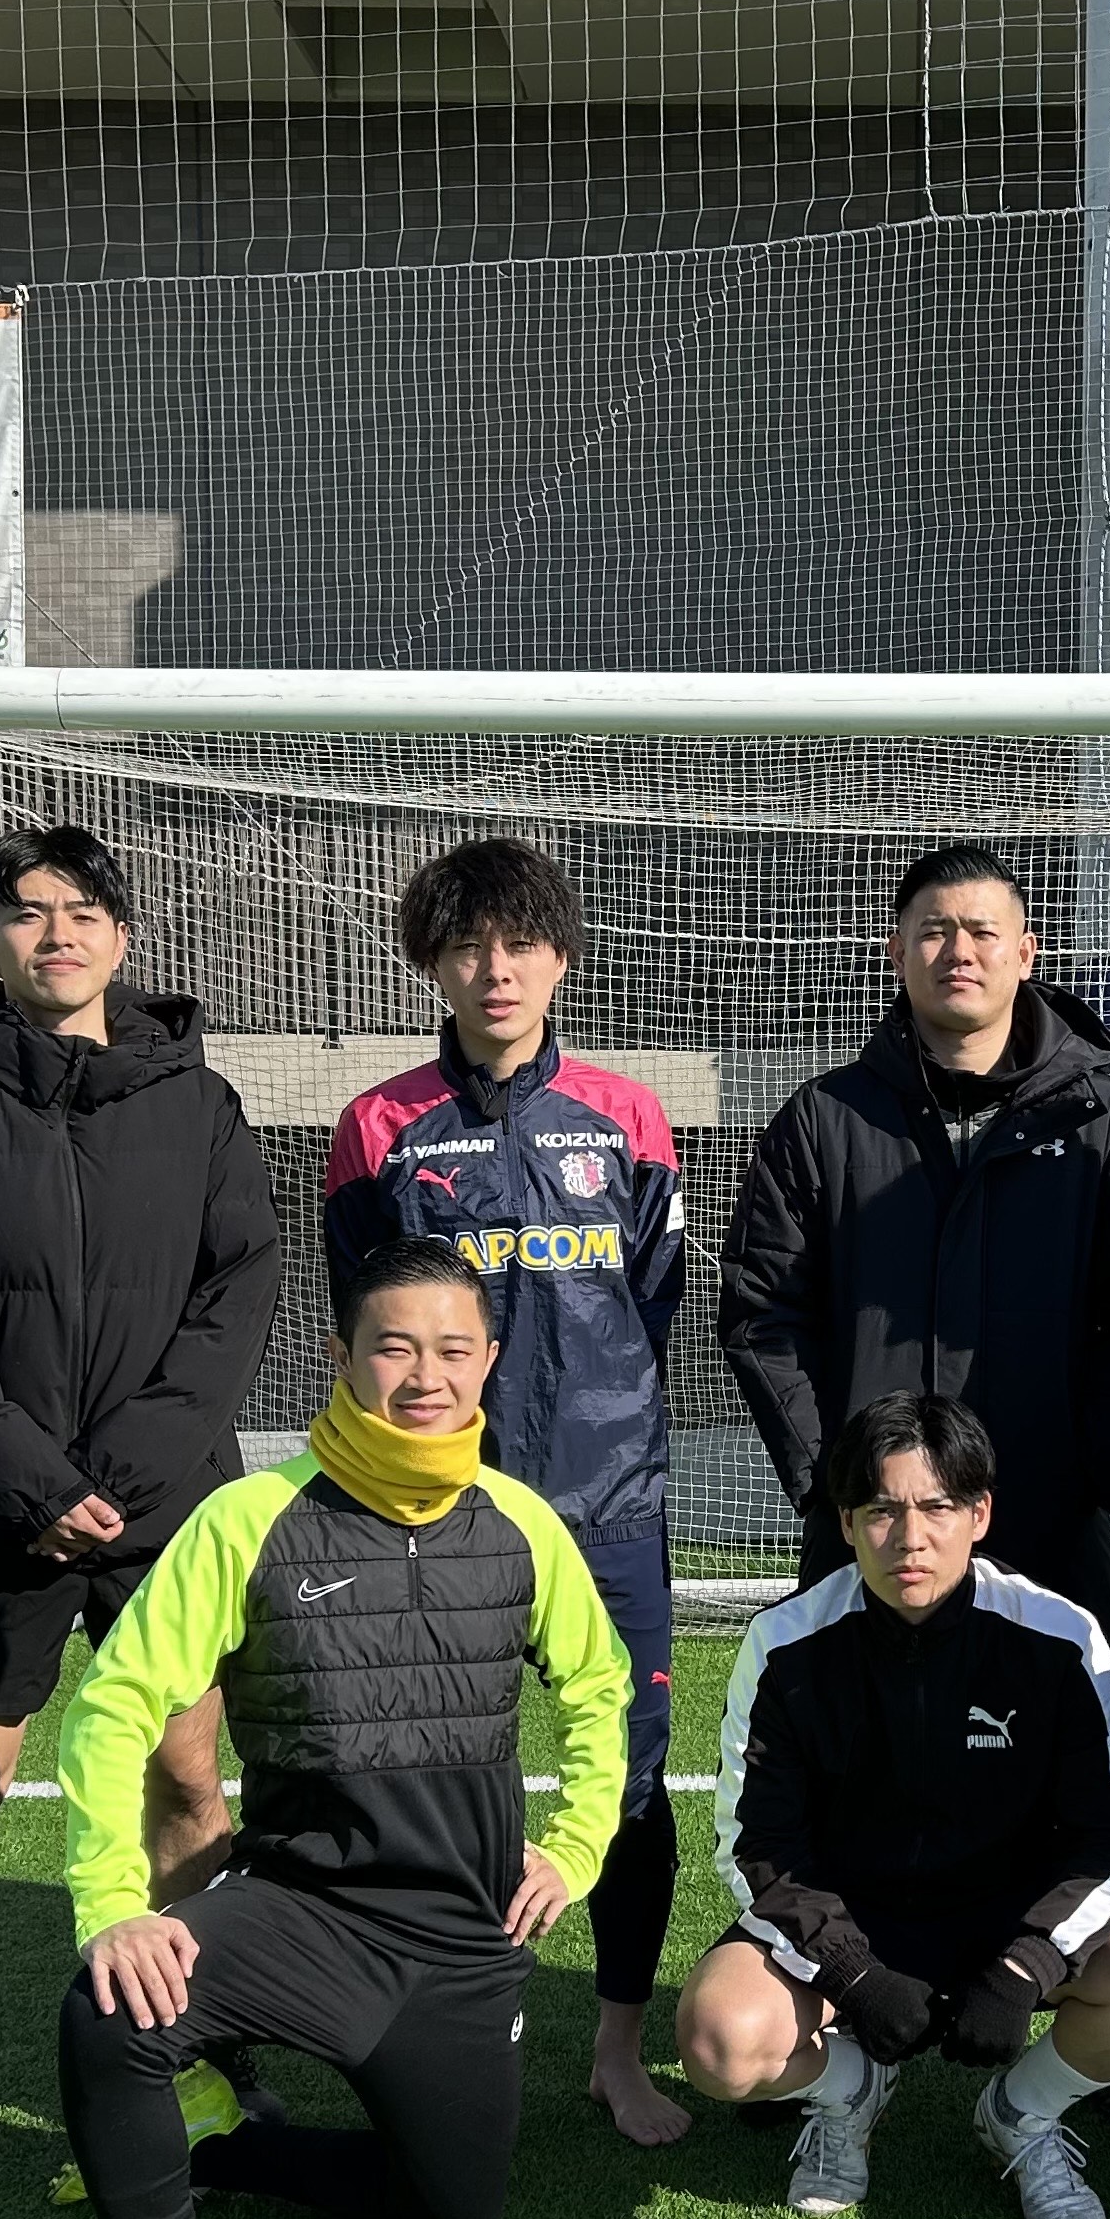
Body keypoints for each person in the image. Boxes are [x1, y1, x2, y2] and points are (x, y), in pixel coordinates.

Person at [42, 1236, 629, 2219]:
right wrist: (113, 1902)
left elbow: (599, 1688)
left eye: (453, 1350)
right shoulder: (251, 1518)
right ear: (343, 1356)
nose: (425, 1376)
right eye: (394, 1347)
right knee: (111, 2012)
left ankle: (225, 2140)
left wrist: (575, 1845)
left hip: (461, 1942)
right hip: (299, 1917)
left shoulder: (522, 1525)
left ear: (489, 1363)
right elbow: (112, 1706)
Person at [0, 823, 280, 2190]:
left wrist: (121, 1481)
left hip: (165, 1518)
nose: (58, 934)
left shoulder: (201, 1107)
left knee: (187, 1776)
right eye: (28, 912)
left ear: (123, 935)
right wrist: (34, 1486)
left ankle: (202, 2039)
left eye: (84, 909)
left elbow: (238, 1297)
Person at [323, 837, 693, 2147]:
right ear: (432, 963)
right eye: (469, 946)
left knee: (629, 1783)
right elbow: (368, 1332)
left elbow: (650, 1306)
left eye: (521, 943)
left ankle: (617, 2050)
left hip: (610, 1506)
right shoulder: (379, 1127)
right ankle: (443, 2037)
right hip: (439, 1512)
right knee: (430, 1779)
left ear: (562, 959)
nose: (496, 969)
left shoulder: (627, 1116)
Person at [674, 1393, 1110, 2219]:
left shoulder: (1060, 1636)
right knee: (718, 2038)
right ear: (847, 1523)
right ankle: (851, 2092)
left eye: (937, 1507)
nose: (910, 1538)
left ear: (980, 1515)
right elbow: (756, 1846)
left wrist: (1027, 1965)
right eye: (882, 1510)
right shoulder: (783, 1645)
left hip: (1011, 1915)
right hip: (854, 1916)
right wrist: (852, 1972)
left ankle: (1021, 2112)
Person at [716, 843, 1110, 1678]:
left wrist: (1090, 1471)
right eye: (935, 932)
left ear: (1025, 952)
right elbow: (762, 1315)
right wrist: (836, 1481)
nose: (959, 952)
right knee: (852, 1751)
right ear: (897, 953)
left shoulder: (1100, 1122)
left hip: (1050, 1530)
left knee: (1069, 1754)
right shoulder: (823, 1121)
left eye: (982, 932)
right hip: (872, 1531)